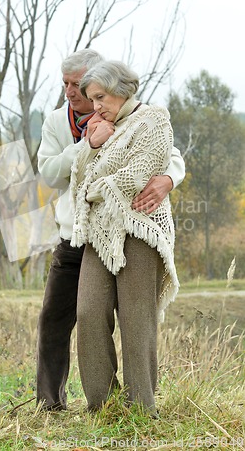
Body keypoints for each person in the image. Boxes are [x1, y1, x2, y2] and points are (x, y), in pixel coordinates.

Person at [37, 49, 185, 411]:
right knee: (73, 316)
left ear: (114, 86)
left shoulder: (146, 118)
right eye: (70, 86)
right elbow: (65, 176)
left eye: (90, 91)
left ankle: (139, 406)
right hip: (82, 234)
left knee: (136, 318)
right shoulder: (60, 122)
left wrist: (167, 179)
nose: (77, 94)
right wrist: (88, 145)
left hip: (134, 231)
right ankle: (77, 405)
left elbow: (158, 159)